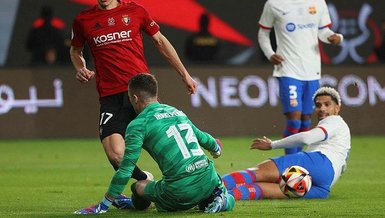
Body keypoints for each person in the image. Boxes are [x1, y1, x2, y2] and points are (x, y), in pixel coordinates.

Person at [70, 0, 197, 209]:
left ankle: (187, 185)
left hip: (141, 91)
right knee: (115, 154)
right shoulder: (83, 20)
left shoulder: (136, 11)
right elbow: (76, 51)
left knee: (164, 146)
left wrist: (184, 74)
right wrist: (81, 67)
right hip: (110, 96)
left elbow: (160, 42)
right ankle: (144, 179)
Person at [73, 74, 235, 214]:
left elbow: (126, 169)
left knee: (138, 187)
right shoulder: (177, 112)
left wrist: (104, 205)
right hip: (209, 178)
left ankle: (136, 205)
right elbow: (204, 138)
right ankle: (222, 201)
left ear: (134, 98)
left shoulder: (138, 125)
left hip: (179, 191)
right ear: (156, 95)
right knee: (225, 197)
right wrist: (216, 148)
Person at [222, 87, 351, 200]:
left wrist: (272, 145)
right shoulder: (344, 134)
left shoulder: (334, 121)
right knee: (262, 190)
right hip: (324, 186)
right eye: (318, 105)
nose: (322, 109)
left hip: (319, 162)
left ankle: (212, 186)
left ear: (337, 108)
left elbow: (307, 138)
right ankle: (224, 198)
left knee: (257, 173)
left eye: (327, 104)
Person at [257, 0, 344, 154]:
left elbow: (323, 31)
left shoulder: (318, 3)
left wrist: (335, 37)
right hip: (288, 69)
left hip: (312, 71)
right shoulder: (274, 4)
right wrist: (270, 54)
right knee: (294, 118)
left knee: (305, 121)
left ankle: (297, 162)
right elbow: (263, 33)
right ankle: (291, 162)